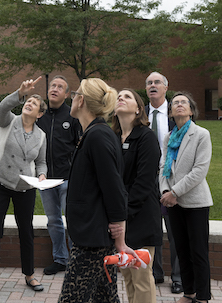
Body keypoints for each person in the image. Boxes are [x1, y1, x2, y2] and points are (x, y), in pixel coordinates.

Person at [58, 78, 137, 303]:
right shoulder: (94, 134)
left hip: (92, 240)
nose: (72, 98)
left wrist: (120, 241)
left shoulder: (98, 135)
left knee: (71, 299)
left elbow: (114, 189)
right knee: (105, 298)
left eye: (74, 94)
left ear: (80, 100)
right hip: (93, 236)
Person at [0, 77, 47, 295]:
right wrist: (20, 92)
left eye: (34, 104)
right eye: (28, 101)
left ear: (40, 114)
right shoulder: (8, 121)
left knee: (26, 232)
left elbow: (41, 161)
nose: (29, 103)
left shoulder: (41, 135)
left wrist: (42, 174)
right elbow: (3, 106)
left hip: (24, 187)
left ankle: (29, 275)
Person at [159, 92, 213, 303]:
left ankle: (202, 296)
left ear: (191, 110)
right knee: (181, 249)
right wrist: (165, 192)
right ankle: (189, 293)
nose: (179, 105)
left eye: (183, 102)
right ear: (171, 111)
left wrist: (175, 192)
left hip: (195, 202)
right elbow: (163, 167)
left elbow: (199, 171)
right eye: (175, 103)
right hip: (173, 203)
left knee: (198, 252)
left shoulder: (201, 134)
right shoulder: (168, 137)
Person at [110, 89, 162, 303]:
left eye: (127, 97)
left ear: (139, 108)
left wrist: (122, 212)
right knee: (128, 277)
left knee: (140, 277)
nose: (121, 98)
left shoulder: (146, 137)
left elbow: (144, 182)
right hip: (120, 219)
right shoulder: (111, 137)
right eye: (118, 97)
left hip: (140, 216)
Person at [36, 75, 81, 275]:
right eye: (52, 85)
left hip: (68, 179)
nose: (54, 89)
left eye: (59, 87)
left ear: (67, 94)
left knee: (72, 220)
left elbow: (80, 146)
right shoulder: (39, 116)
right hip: (45, 179)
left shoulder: (72, 116)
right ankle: (60, 259)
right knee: (53, 220)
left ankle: (76, 260)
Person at [145, 71, 183, 294]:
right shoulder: (142, 114)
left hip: (171, 180)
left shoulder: (176, 113)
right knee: (152, 229)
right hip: (147, 181)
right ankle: (156, 272)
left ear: (165, 87)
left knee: (175, 229)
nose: (153, 85)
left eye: (157, 82)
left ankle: (178, 276)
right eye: (149, 83)